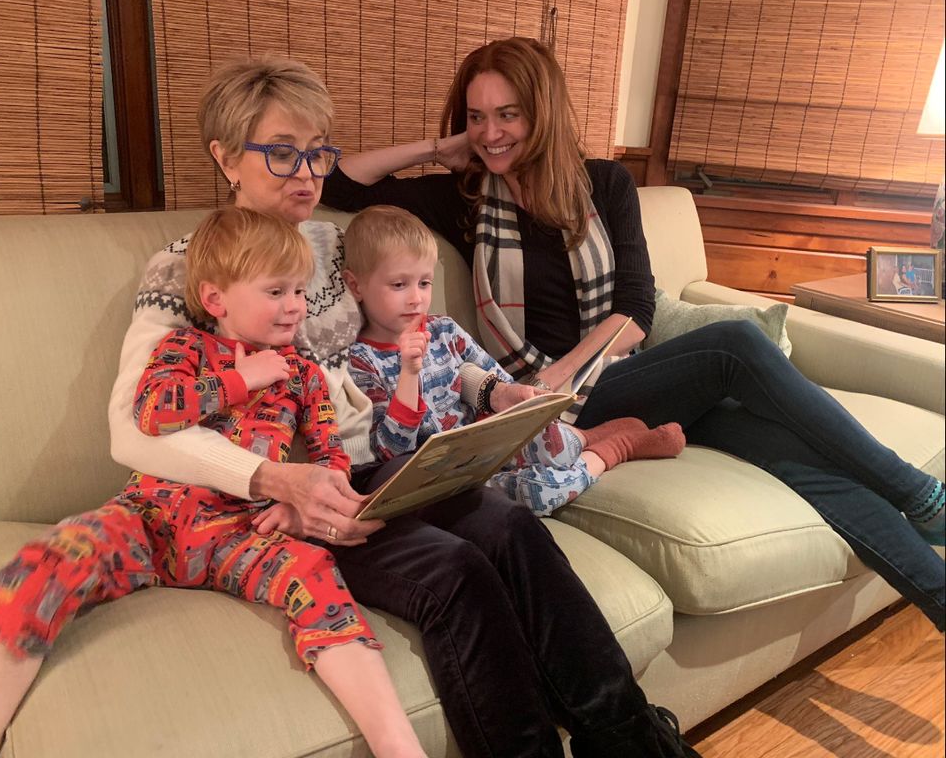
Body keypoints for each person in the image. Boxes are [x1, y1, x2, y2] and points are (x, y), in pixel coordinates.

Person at [64, 56, 698, 757]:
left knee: (516, 532)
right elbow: (132, 426)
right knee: (455, 576)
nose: (307, 174)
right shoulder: (186, 267)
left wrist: (492, 391)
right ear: (225, 158)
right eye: (281, 154)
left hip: (383, 469)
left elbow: (408, 338)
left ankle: (633, 742)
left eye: (316, 153)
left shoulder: (338, 244)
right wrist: (276, 479)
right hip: (279, 501)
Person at [320, 36, 946, 630]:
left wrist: (560, 372)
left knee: (802, 462)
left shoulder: (607, 184)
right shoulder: (465, 198)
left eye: (507, 114)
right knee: (734, 344)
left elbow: (637, 308)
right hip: (557, 408)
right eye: (477, 117)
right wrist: (438, 147)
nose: (490, 133)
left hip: (610, 377)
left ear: (543, 113)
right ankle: (920, 495)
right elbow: (338, 180)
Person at [0, 207, 427, 758]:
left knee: (316, 575)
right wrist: (239, 378)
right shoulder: (183, 349)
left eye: (299, 290)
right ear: (216, 299)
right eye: (276, 291)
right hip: (148, 520)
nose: (295, 305)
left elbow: (329, 455)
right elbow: (153, 413)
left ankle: (399, 747)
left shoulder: (304, 374)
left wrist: (309, 510)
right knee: (48, 560)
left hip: (242, 534)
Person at [343, 204, 685, 516]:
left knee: (553, 443)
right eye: (399, 284)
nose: (416, 299)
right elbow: (390, 452)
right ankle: (614, 448)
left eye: (425, 282)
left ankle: (585, 436)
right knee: (541, 493)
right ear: (356, 286)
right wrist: (408, 374)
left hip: (487, 443)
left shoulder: (444, 329)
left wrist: (517, 402)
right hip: (448, 480)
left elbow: (498, 383)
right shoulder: (360, 362)